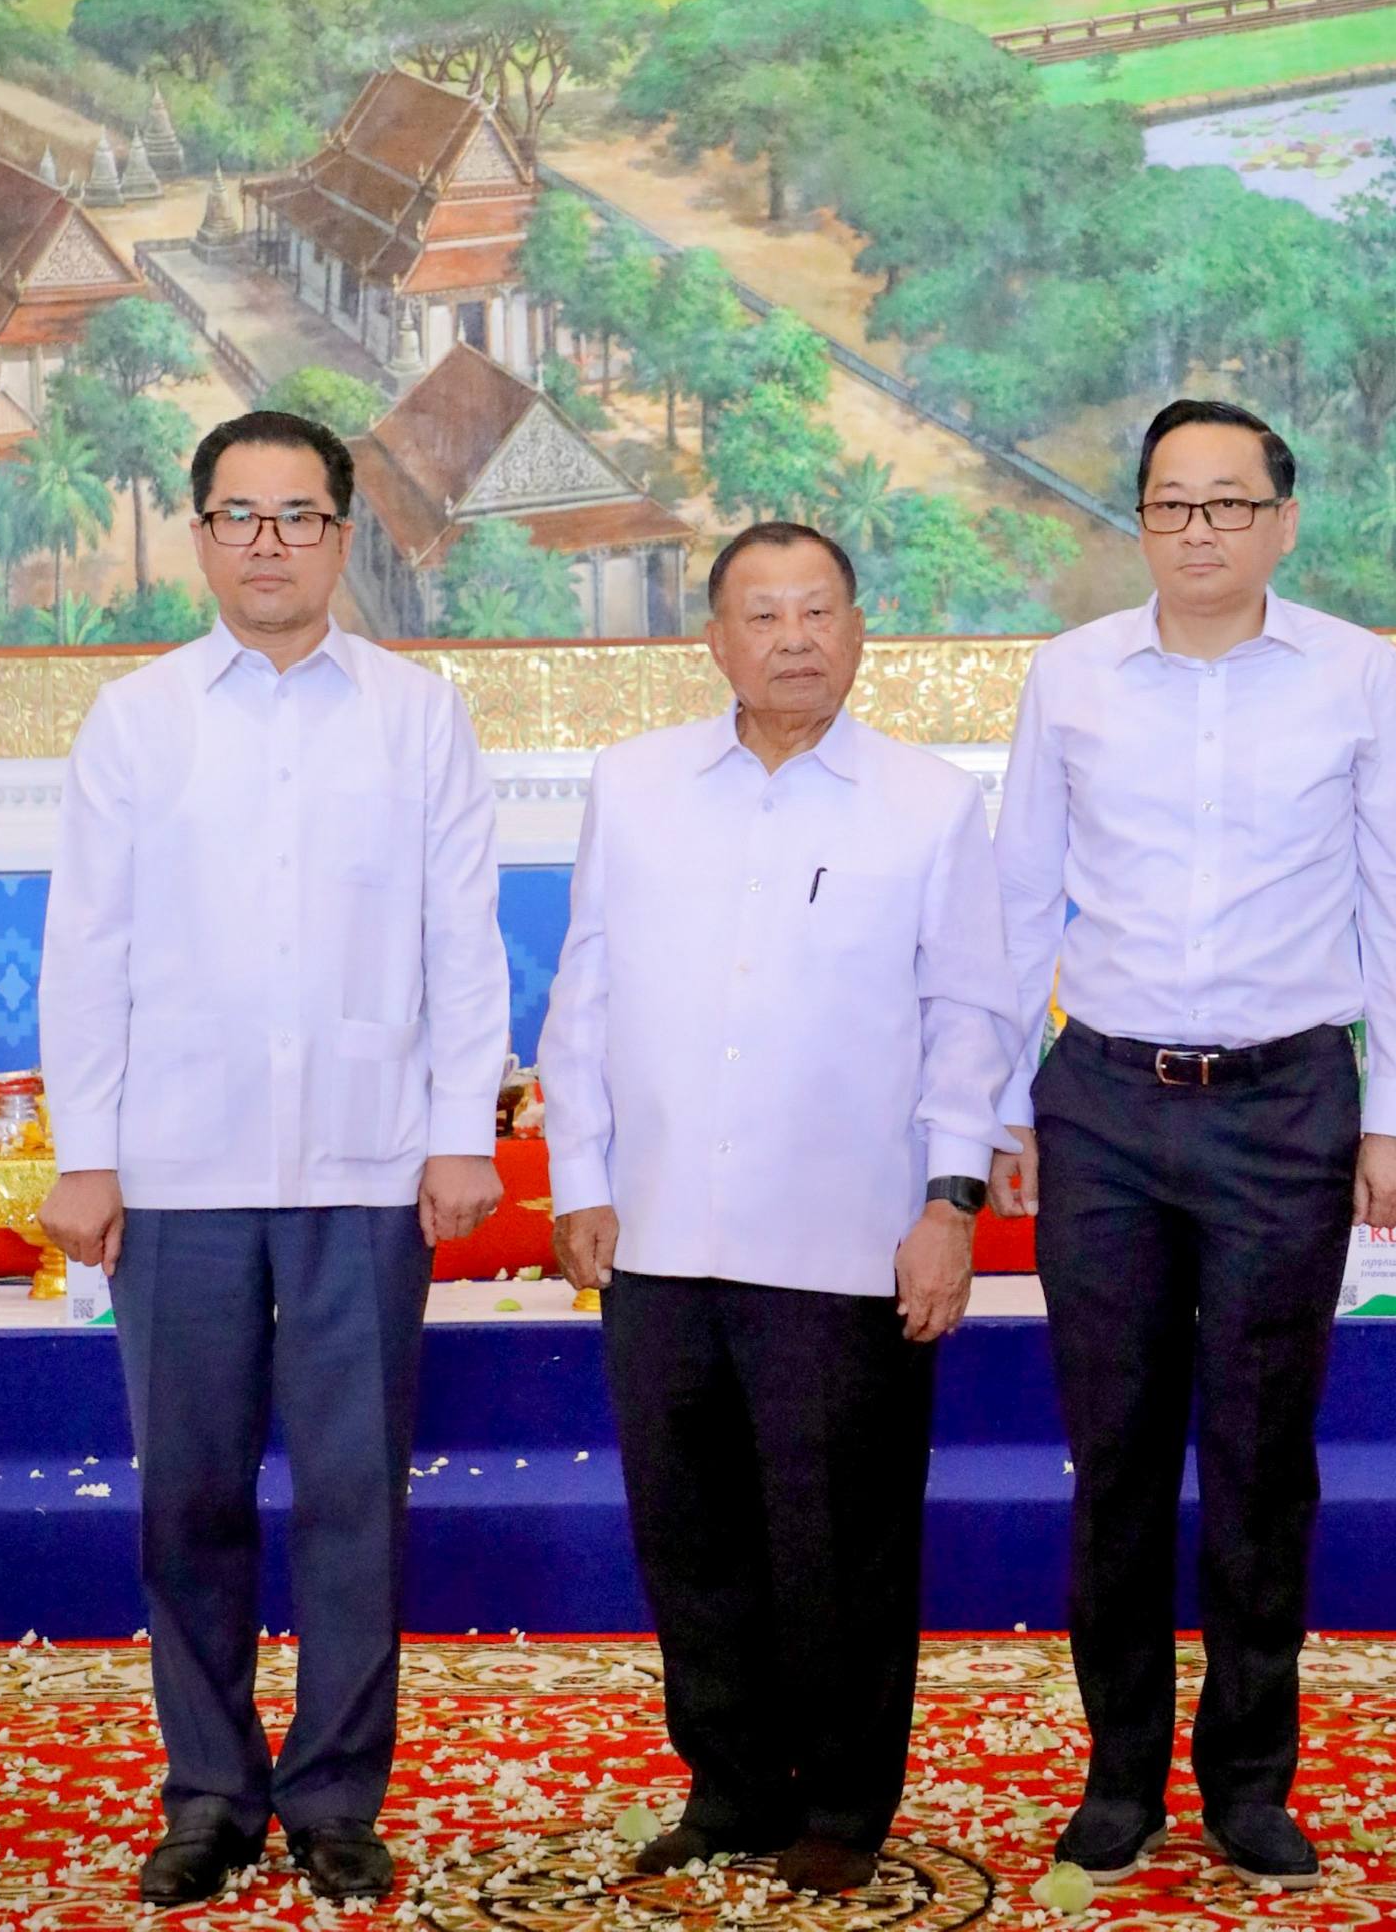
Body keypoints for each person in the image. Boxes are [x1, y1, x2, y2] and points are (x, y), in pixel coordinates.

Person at [37, 411, 511, 1909]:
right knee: (189, 1497)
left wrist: (458, 1131)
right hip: (176, 1172)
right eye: (238, 515)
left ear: (341, 534)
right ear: (201, 536)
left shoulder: (417, 716)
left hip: (366, 1165)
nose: (268, 543)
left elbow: (461, 937)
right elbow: (86, 949)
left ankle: (335, 1795)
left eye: (298, 515)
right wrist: (88, 1155)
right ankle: (209, 1791)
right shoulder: (138, 720)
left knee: (357, 1497)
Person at [990, 398, 1396, 1893]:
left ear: (1282, 522)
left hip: (1285, 1107)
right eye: (1172, 503)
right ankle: (1120, 1773)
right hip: (1106, 1106)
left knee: (1261, 1459)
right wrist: (999, 1105)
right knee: (1116, 1457)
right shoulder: (1071, 676)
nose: (1200, 529)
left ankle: (1250, 1778)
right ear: (1140, 520)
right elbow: (1019, 903)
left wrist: (1395, 1115)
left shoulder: (1357, 676)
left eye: (1229, 503)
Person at [539, 520, 1012, 1896]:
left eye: (818, 612)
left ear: (859, 632)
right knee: (690, 1536)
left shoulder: (929, 804)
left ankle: (845, 1808)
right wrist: (581, 1178)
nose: (793, 639)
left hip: (846, 1240)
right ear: (715, 639)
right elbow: (585, 994)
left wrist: (950, 1203)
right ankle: (732, 1787)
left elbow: (970, 1021)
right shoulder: (635, 785)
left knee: (842, 1544)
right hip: (660, 1234)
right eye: (763, 614)